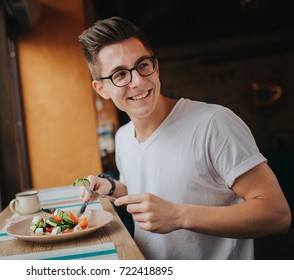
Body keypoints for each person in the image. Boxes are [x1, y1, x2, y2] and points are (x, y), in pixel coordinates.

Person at [77, 17, 291, 260]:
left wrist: (180, 216)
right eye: (120, 74)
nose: (138, 81)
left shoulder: (214, 123)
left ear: (156, 65)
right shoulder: (123, 136)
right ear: (101, 89)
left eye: (143, 65)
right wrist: (113, 188)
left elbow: (278, 215)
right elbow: (152, 189)